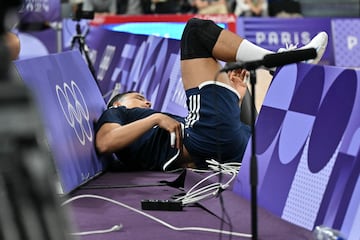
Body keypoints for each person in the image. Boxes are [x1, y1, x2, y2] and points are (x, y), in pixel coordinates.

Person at [95, 18, 328, 171]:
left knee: (242, 92)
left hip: (223, 145)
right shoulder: (116, 114)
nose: (147, 101)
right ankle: (279, 64)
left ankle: (281, 70)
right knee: (195, 32)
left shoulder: (148, 133)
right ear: (118, 104)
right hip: (203, 140)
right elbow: (105, 143)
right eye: (138, 97)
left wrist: (234, 99)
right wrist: (155, 118)